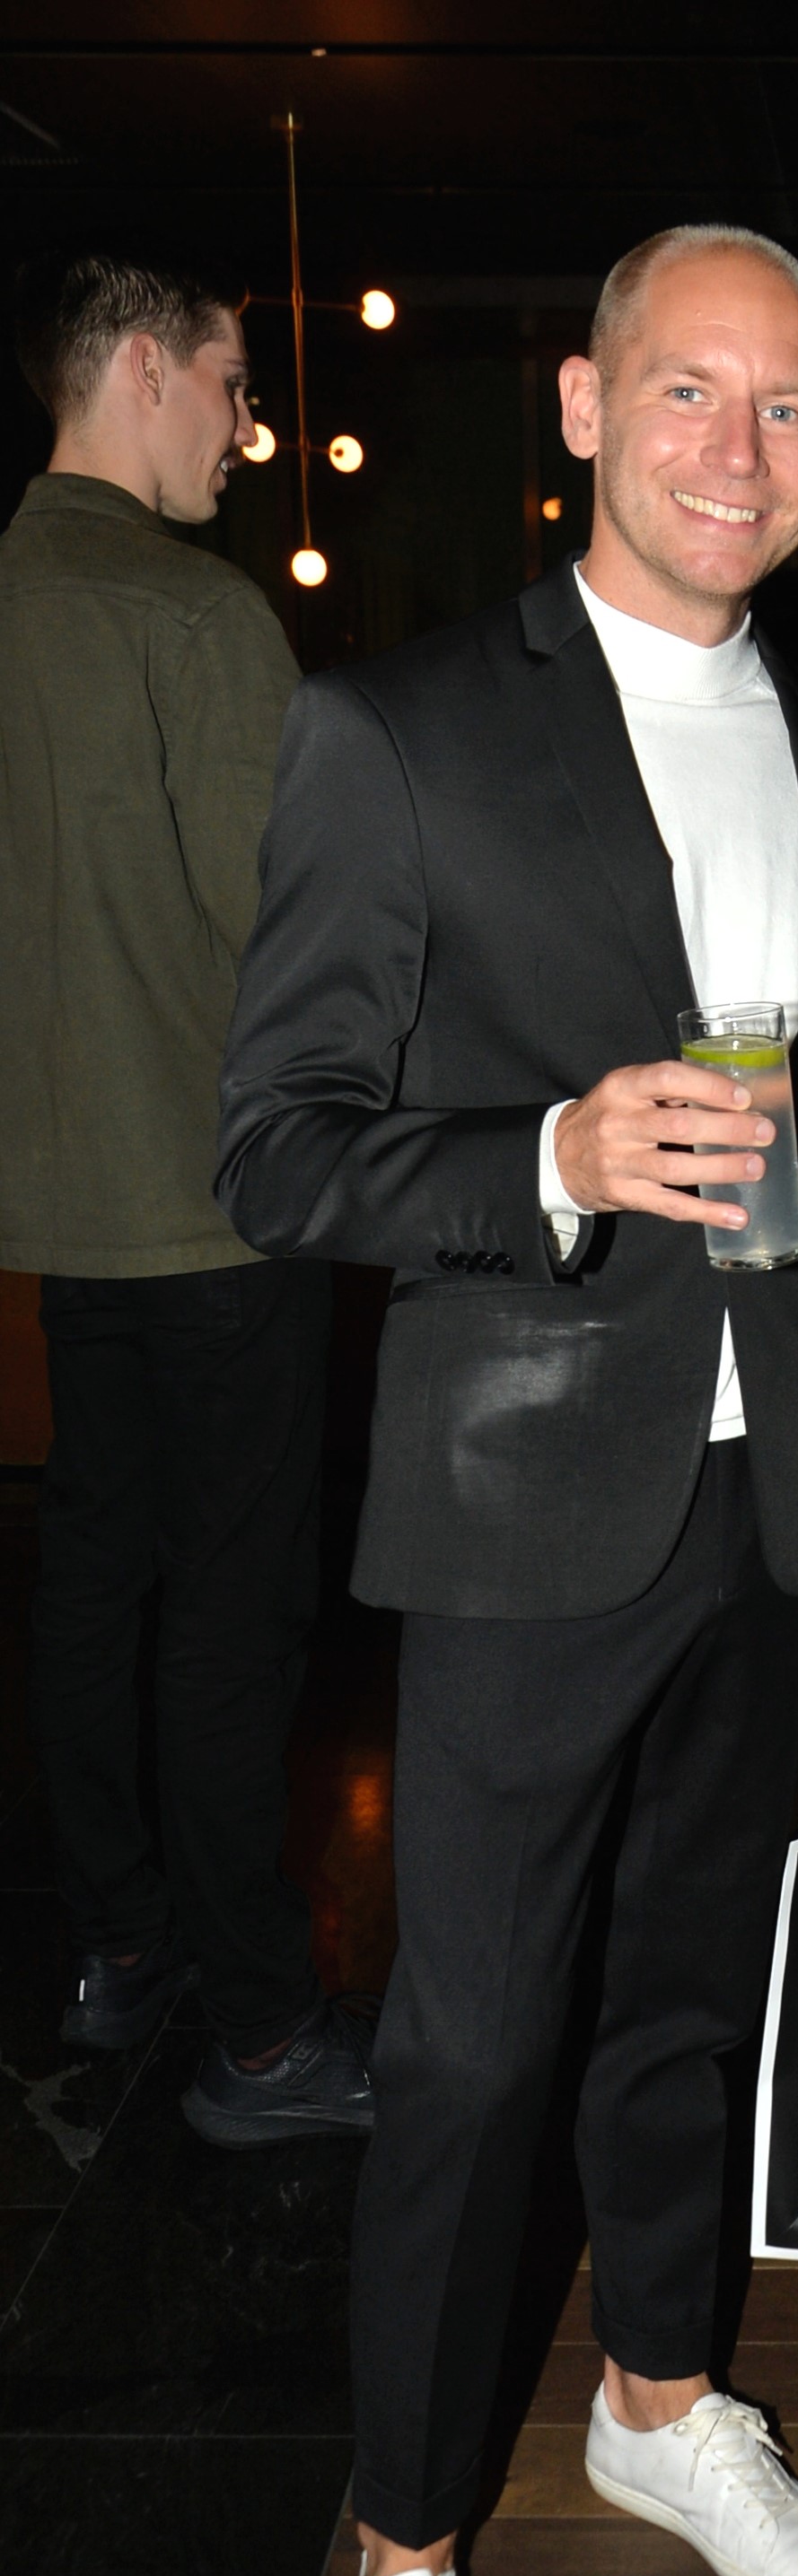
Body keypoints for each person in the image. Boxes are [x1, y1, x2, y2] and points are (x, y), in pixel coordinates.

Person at [218, 223, 798, 2576]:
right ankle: (407, 2555)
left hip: (770, 1485)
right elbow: (277, 1150)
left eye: (788, 405)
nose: (740, 446)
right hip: (520, 1499)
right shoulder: (392, 730)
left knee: (690, 1997)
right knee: (472, 2046)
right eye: (689, 390)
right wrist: (549, 1157)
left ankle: (663, 2398)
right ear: (589, 410)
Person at [0, 251, 363, 2145]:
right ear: (143, 368)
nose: (247, 426)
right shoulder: (197, 613)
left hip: (61, 1207)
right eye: (230, 383)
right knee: (235, 1617)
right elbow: (290, 937)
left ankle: (115, 1947)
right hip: (227, 1205)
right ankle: (263, 2032)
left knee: (91, 1578)